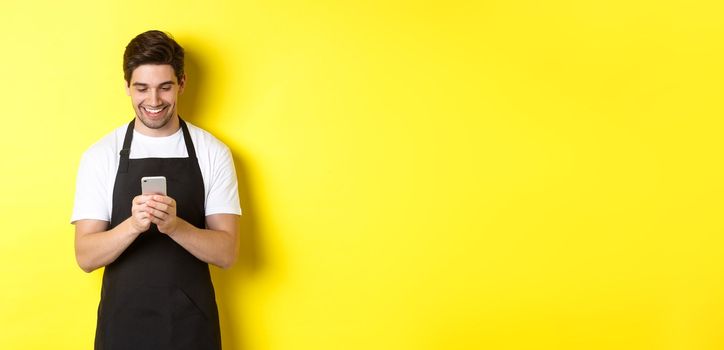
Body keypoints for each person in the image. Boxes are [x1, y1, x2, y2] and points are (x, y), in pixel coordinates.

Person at [71, 30, 241, 350]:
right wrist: (134, 225)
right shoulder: (101, 155)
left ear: (182, 83)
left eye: (165, 87)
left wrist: (174, 226)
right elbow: (86, 256)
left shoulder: (212, 152)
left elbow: (227, 253)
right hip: (121, 327)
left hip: (192, 328)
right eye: (142, 88)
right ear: (127, 87)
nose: (153, 101)